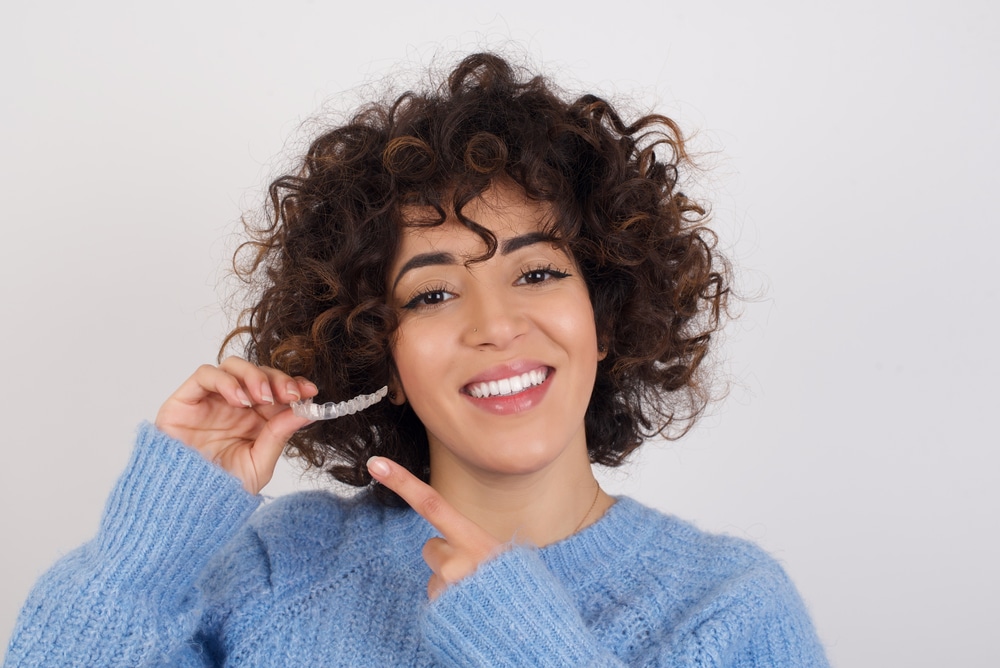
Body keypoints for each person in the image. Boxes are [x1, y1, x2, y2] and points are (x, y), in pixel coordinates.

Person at [5, 52, 829, 666]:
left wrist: (522, 643)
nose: (496, 324)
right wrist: (150, 547)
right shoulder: (274, 570)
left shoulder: (728, 610)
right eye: (433, 294)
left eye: (537, 273)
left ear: (605, 316)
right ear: (383, 357)